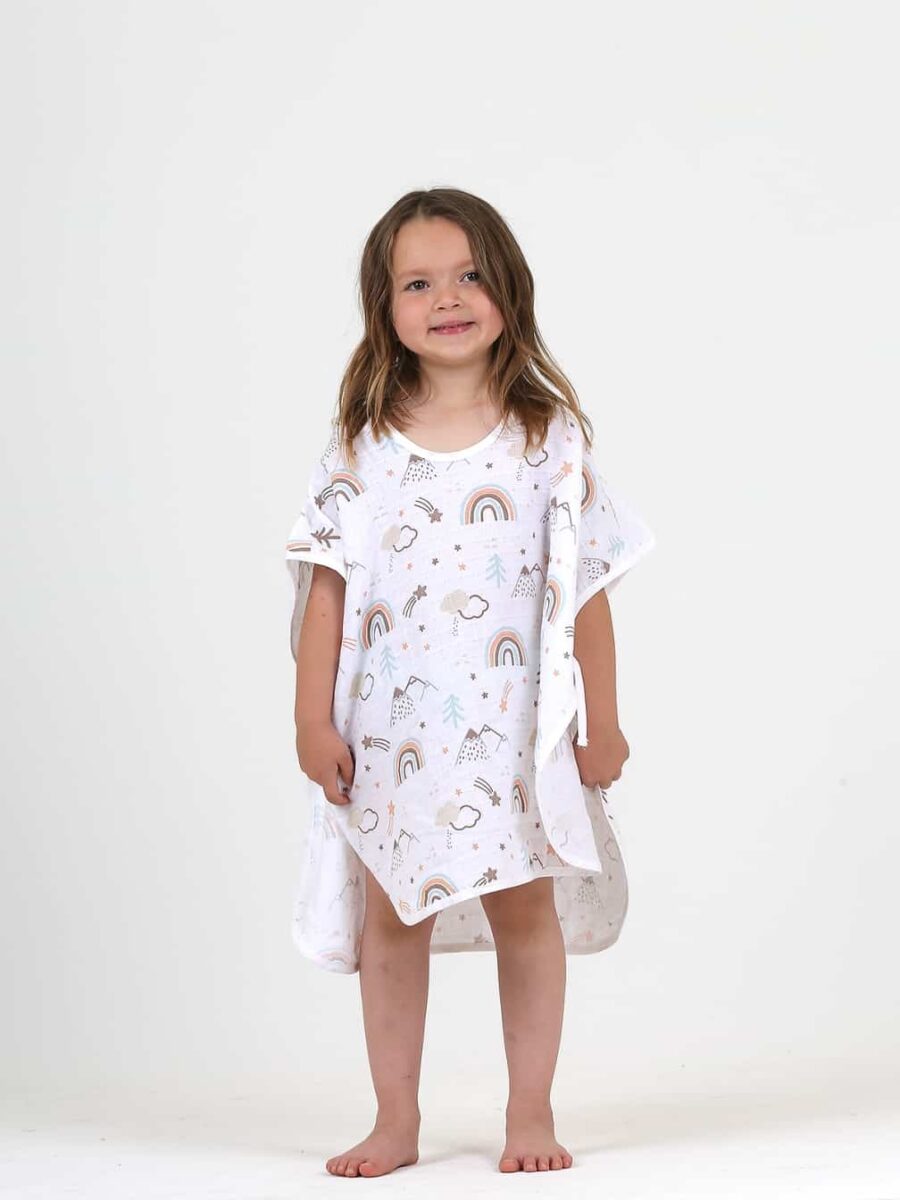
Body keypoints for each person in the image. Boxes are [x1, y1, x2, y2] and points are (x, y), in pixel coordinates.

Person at [283, 188, 656, 1177]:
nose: (447, 298)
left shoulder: (548, 441)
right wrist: (311, 718)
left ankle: (530, 1112)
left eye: (469, 275)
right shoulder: (362, 448)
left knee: (524, 914)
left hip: (515, 738)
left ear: (509, 289)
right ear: (384, 307)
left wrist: (605, 722)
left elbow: (587, 591)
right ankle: (394, 1119)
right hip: (391, 739)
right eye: (418, 283)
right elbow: (326, 592)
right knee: (391, 918)